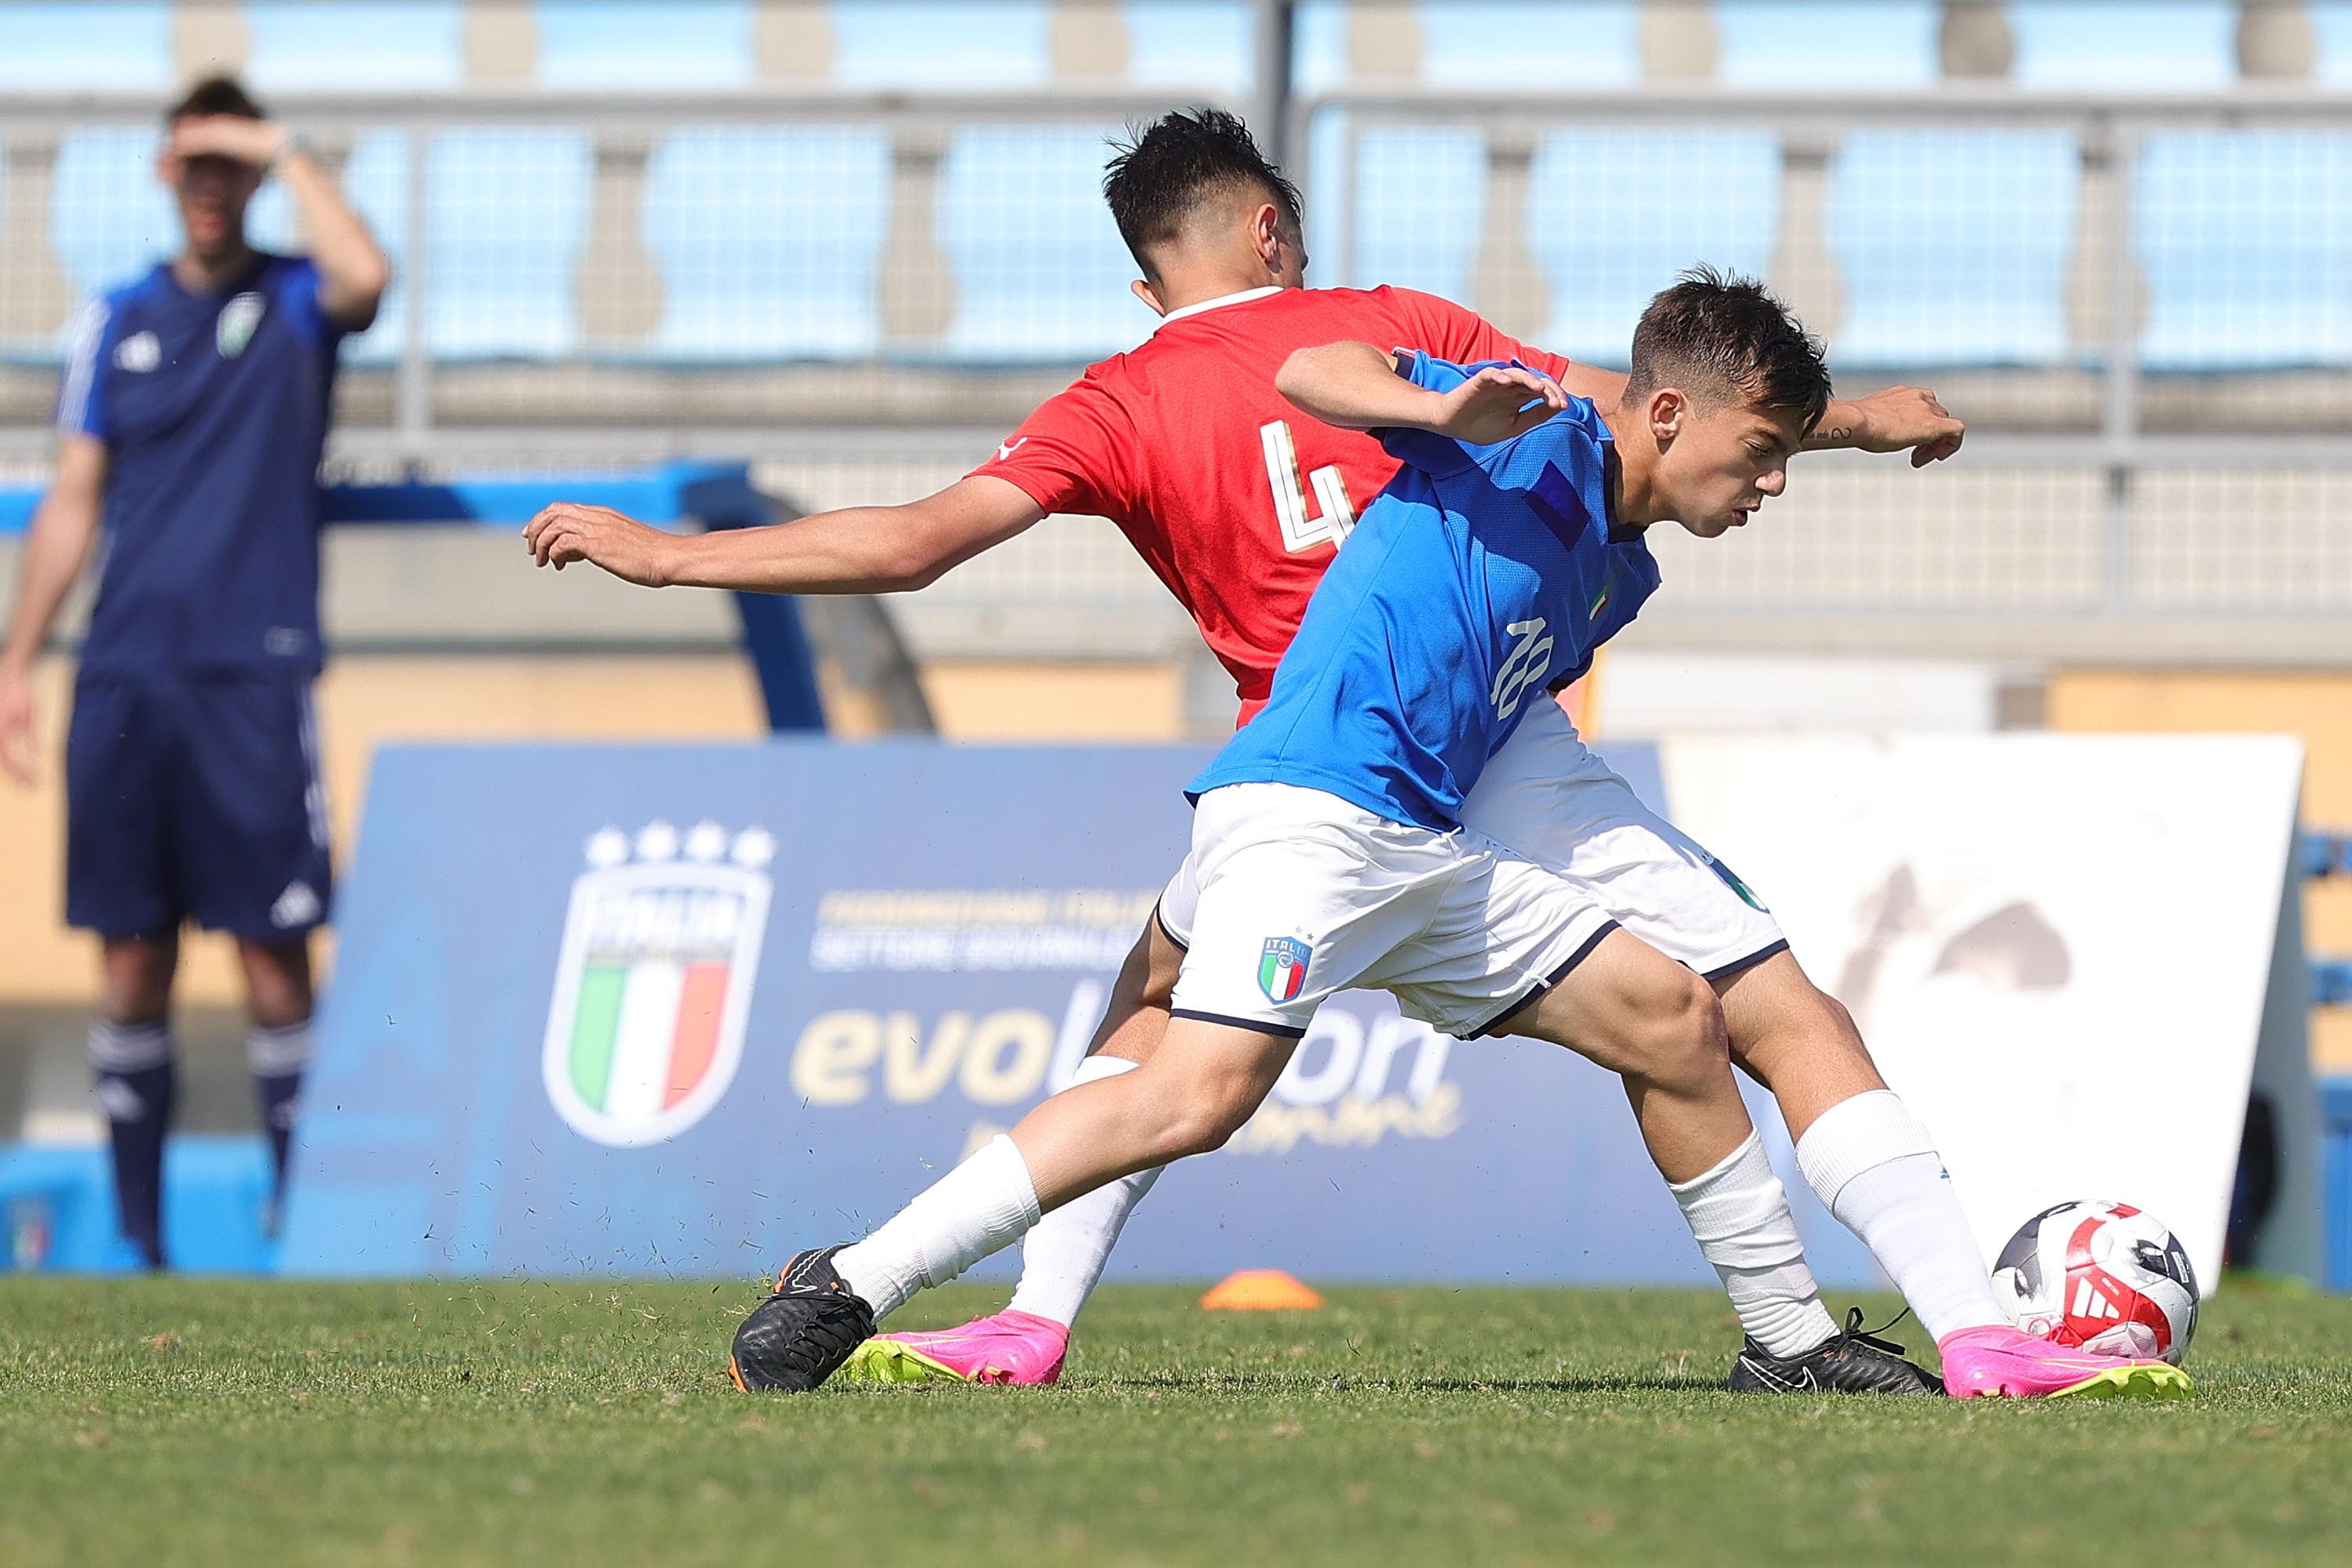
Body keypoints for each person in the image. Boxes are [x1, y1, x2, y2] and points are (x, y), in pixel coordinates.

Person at [525, 109, 1963, 1391]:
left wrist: (670, 559)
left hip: (1317, 750)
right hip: (1424, 756)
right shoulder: (1387, 316)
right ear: (1274, 226)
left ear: (1146, 282)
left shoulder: (1116, 397)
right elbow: (1632, 400)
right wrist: (1849, 424)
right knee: (1761, 1005)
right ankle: (1969, 1321)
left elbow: (910, 544)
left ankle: (1029, 1313)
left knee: (1156, 1005)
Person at [724, 272, 2188, 1402]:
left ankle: (1791, 1345)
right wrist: (1438, 410)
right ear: (1665, 416)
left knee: (1677, 1019)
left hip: (1432, 851)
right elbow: (1313, 371)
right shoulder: (1534, 427)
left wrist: (1867, 422)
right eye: (1762, 454)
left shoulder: (1619, 548)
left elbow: (1725, 422)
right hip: (1320, 816)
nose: (1774, 483)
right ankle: (847, 1282)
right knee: (1193, 1092)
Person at [0, 76, 389, 1266]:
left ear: (257, 175)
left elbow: (367, 278)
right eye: (192, 165)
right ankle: (140, 1244)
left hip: (250, 675)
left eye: (231, 166)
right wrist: (18, 658)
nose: (210, 186)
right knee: (129, 954)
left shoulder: (292, 302)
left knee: (272, 955)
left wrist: (284, 141)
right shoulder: (115, 318)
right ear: (165, 178)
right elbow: (75, 500)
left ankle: (305, 1228)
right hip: (124, 676)